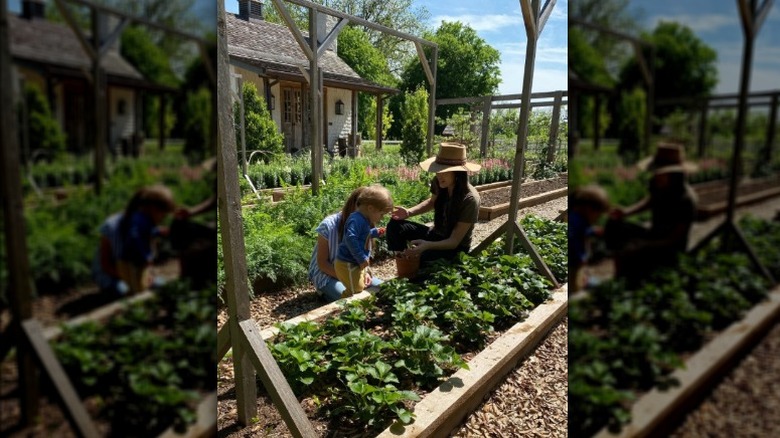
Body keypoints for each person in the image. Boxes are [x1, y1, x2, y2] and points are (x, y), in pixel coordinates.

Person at [605, 142, 698, 284]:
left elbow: (675, 238)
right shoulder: (659, 186)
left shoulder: (686, 199)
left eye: (661, 172)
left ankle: (630, 280)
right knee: (615, 225)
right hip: (654, 234)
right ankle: (620, 277)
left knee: (631, 250)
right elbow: (650, 201)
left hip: (669, 247)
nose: (656, 174)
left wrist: (644, 245)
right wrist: (626, 212)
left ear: (673, 174)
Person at [387, 142, 481, 266]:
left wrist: (426, 246)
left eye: (444, 171)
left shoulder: (470, 199)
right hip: (435, 234)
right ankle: (404, 259)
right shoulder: (440, 182)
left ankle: (414, 266)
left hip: (454, 248)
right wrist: (408, 212)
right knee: (395, 225)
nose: (439, 175)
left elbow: (454, 241)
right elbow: (432, 202)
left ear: (457, 173)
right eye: (437, 171)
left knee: (422, 259)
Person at [92, 185, 177, 295]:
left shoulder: (147, 226)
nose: (163, 219)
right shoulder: (112, 226)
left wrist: (148, 274)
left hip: (132, 270)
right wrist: (132, 278)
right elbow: (106, 264)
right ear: (152, 209)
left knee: (159, 284)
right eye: (163, 215)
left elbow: (146, 257)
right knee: (124, 290)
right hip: (109, 273)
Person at [308, 187, 383, 302]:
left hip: (354, 271)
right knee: (354, 300)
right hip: (327, 274)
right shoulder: (328, 225)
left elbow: (363, 256)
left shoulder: (366, 223)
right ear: (354, 205)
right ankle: (323, 293)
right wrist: (349, 278)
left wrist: (366, 272)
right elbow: (322, 264)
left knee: (384, 289)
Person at [334, 185, 393, 298]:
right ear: (370, 208)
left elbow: (363, 235)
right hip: (346, 263)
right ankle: (344, 306)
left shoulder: (363, 219)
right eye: (381, 214)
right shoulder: (356, 219)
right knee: (355, 289)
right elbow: (350, 238)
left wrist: (375, 232)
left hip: (354, 262)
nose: (381, 218)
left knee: (360, 286)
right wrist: (361, 257)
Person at [569, 185, 610, 292]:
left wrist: (593, 230)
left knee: (580, 272)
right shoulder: (575, 221)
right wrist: (580, 258)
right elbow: (573, 241)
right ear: (588, 209)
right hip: (574, 260)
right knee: (574, 277)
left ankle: (583, 282)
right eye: (598, 214)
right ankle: (576, 292)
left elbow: (583, 231)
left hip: (578, 258)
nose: (598, 218)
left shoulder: (580, 219)